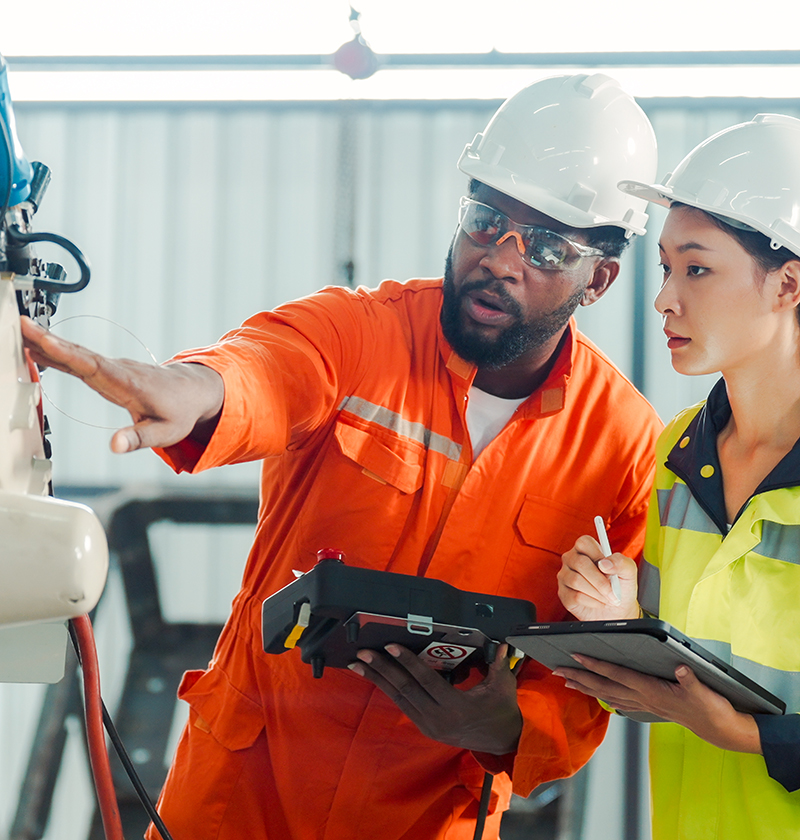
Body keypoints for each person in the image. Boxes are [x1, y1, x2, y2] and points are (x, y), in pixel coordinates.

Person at [22, 73, 662, 840]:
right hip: (238, 802)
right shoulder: (365, 333)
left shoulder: (621, 446)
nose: (500, 258)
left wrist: (505, 726)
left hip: (426, 818)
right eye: (486, 220)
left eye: (548, 246)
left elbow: (594, 668)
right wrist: (191, 388)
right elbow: (271, 366)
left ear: (600, 277)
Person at [557, 114, 800, 840]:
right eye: (665, 267)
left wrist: (753, 737)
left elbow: (719, 717)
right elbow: (665, 696)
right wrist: (620, 624)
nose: (666, 298)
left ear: (788, 283)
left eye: (697, 269)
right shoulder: (677, 456)